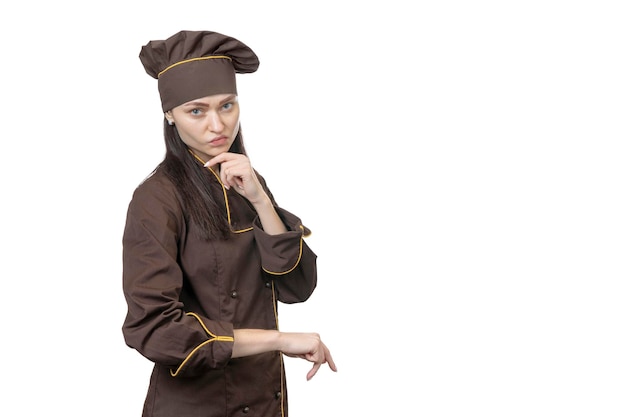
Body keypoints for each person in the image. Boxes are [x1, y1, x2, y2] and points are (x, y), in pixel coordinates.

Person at [121, 30, 336, 417]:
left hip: (265, 398)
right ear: (170, 115)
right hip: (195, 405)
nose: (217, 125)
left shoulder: (247, 181)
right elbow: (155, 330)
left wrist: (259, 199)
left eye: (228, 105)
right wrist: (279, 340)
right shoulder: (155, 200)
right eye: (197, 111)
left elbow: (297, 285)